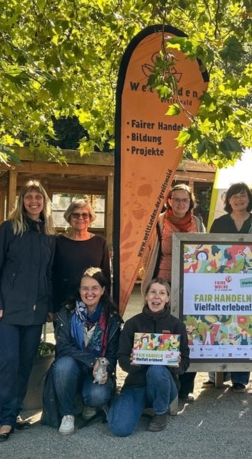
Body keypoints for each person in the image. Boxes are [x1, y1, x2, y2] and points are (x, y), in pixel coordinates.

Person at [0, 180, 56, 442]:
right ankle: (5, 420)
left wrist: (48, 306)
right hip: (6, 311)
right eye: (29, 197)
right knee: (9, 362)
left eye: (38, 197)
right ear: (22, 201)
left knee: (26, 362)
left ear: (44, 201)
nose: (34, 201)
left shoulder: (49, 234)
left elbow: (49, 274)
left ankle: (14, 411)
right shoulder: (9, 228)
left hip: (35, 310)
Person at [142, 184, 205, 401]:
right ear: (169, 201)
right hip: (165, 283)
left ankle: (186, 386)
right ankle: (163, 383)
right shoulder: (159, 222)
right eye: (176, 199)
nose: (180, 203)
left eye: (184, 200)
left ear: (190, 202)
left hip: (192, 285)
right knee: (164, 332)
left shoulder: (197, 223)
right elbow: (148, 252)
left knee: (190, 332)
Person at [41, 267, 122, 435]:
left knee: (96, 396)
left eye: (94, 288)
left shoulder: (112, 318)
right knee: (63, 365)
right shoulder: (67, 312)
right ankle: (67, 413)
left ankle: (87, 403)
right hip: (73, 367)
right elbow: (63, 347)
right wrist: (93, 361)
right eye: (85, 288)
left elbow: (113, 356)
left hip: (97, 372)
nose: (89, 292)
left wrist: (105, 369)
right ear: (79, 290)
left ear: (103, 290)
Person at [206, 182, 252, 393]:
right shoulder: (219, 222)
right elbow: (211, 252)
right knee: (219, 323)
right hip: (222, 283)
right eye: (235, 196)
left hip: (249, 283)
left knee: (244, 325)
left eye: (243, 196)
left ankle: (240, 378)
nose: (239, 200)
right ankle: (215, 374)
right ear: (228, 200)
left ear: (249, 199)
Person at [108, 279, 190, 436]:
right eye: (152, 292)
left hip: (164, 385)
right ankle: (120, 401)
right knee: (119, 428)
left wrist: (177, 365)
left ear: (167, 298)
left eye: (161, 293)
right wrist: (132, 362)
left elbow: (186, 360)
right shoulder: (133, 324)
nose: (156, 297)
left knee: (157, 369)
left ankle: (160, 413)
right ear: (146, 296)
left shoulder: (176, 326)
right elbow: (122, 359)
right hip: (136, 386)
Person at [52, 198, 110, 313]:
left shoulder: (100, 242)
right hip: (63, 304)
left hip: (93, 304)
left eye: (85, 215)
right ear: (69, 217)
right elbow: (51, 275)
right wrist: (51, 307)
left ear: (90, 218)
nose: (80, 218)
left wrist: (107, 304)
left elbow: (106, 277)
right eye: (76, 215)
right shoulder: (57, 242)